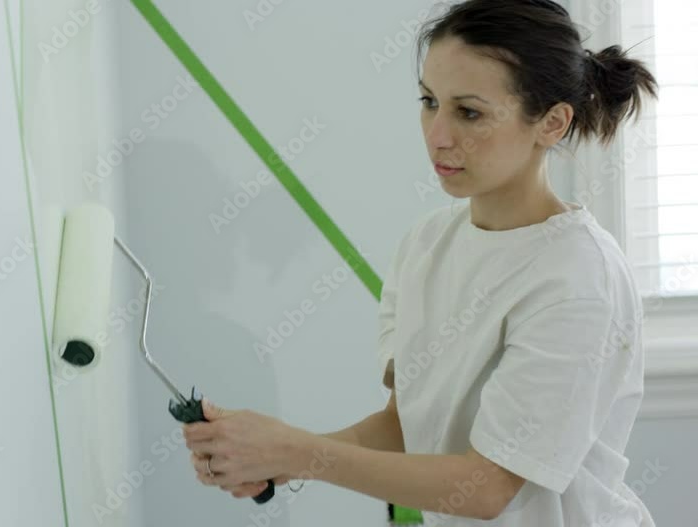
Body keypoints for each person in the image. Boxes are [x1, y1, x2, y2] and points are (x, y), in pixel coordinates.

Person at [180, 0, 659, 525]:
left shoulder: (578, 278)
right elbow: (405, 425)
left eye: (469, 112)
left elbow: (488, 487)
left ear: (551, 123)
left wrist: (298, 451)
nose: (437, 135)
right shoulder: (426, 243)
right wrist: (277, 460)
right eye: (429, 101)